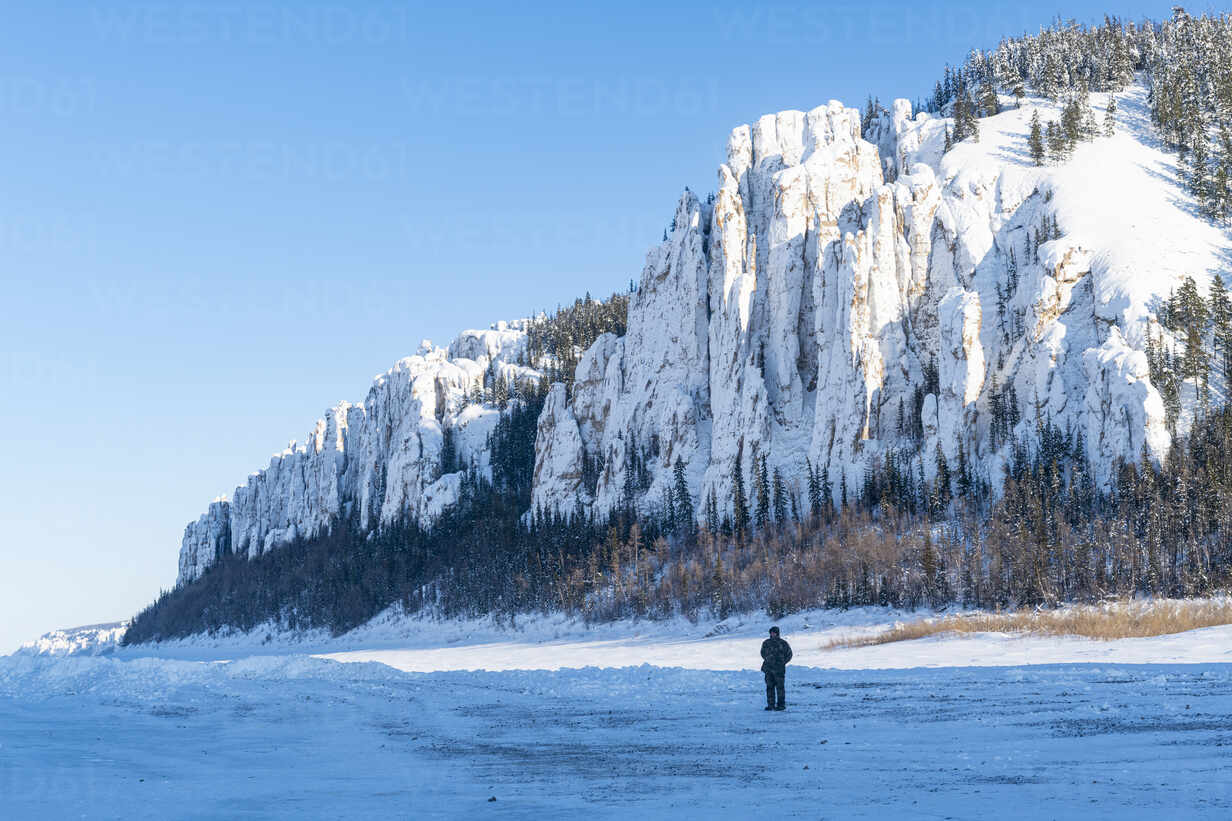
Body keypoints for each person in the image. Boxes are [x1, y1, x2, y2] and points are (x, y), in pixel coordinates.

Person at [760, 626, 792, 711]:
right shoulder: (766, 643)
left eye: (774, 632)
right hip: (768, 669)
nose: (772, 634)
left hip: (779, 670)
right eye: (771, 632)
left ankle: (781, 705)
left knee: (780, 688)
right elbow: (762, 653)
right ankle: (770, 705)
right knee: (769, 687)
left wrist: (782, 662)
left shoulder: (783, 643)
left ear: (777, 633)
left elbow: (789, 654)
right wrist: (768, 659)